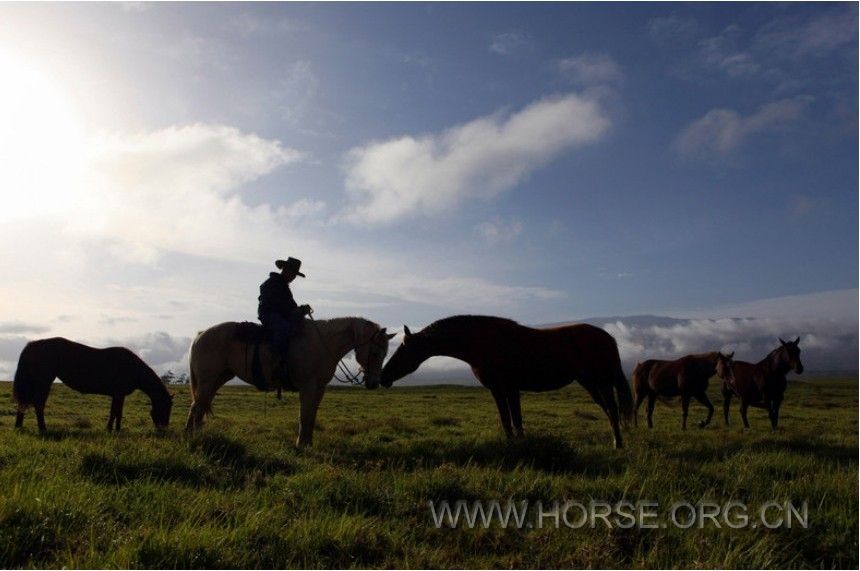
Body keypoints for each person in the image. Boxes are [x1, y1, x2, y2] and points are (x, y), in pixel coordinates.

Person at [258, 257, 312, 368]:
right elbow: (279, 305)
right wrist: (296, 311)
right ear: (285, 270)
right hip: (269, 315)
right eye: (293, 274)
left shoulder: (283, 286)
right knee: (285, 329)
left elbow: (290, 306)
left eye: (294, 275)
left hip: (280, 315)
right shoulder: (271, 283)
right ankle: (273, 359)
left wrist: (300, 310)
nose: (293, 277)